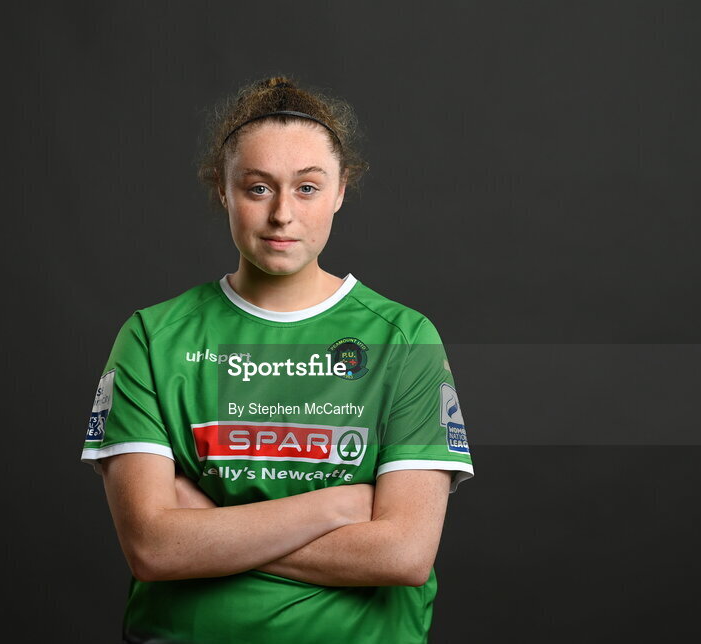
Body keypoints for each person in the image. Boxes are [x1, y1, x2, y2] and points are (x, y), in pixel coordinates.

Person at [81, 75, 474, 644]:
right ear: (223, 189)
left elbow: (403, 555)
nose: (282, 214)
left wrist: (207, 529)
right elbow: (153, 548)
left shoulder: (405, 339)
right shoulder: (152, 337)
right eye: (258, 188)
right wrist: (336, 506)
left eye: (308, 188)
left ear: (341, 191)